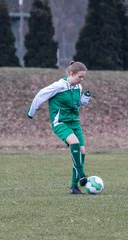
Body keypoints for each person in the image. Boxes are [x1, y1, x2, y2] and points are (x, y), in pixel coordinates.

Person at [26, 61, 91, 194]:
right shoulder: (59, 86)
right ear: (71, 74)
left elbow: (76, 104)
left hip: (75, 122)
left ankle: (74, 187)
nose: (81, 80)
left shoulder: (78, 87)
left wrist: (83, 100)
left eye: (83, 77)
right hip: (60, 122)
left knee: (82, 151)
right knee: (74, 143)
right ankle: (82, 174)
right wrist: (31, 112)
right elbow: (40, 95)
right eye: (80, 76)